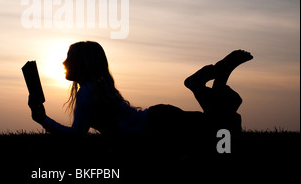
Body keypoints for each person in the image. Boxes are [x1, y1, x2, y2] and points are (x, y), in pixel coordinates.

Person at [28, 41, 253, 148]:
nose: (63, 62)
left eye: (70, 57)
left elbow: (77, 135)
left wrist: (42, 120)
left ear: (83, 64)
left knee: (225, 125)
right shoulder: (96, 88)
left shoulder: (88, 93)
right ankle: (204, 82)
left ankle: (207, 81)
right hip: (159, 120)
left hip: (158, 126)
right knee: (225, 123)